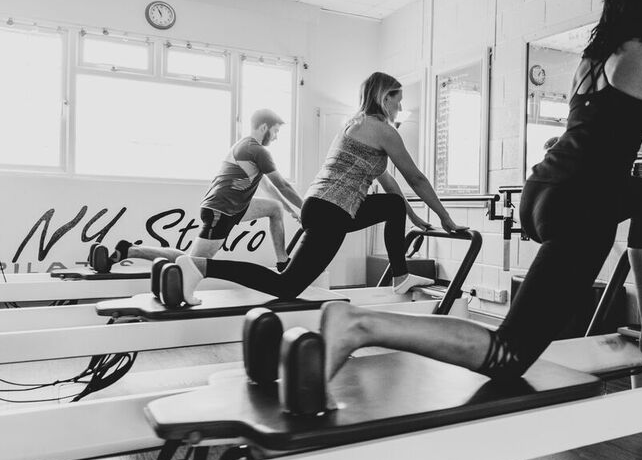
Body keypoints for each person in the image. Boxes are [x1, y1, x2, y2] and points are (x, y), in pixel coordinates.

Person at [314, 0, 642, 384]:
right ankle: (361, 325)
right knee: (507, 354)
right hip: (583, 207)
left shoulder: (591, 59)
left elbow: (590, 141)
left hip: (542, 192)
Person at [174, 72, 467, 304]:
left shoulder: (354, 125)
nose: (400, 107)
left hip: (322, 207)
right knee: (286, 286)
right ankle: (201, 266)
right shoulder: (383, 131)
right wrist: (446, 218)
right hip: (332, 212)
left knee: (392, 205)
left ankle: (400, 275)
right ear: (384, 97)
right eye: (397, 100)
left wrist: (413, 217)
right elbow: (416, 179)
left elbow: (389, 184)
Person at [116, 108, 303, 270]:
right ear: (263, 127)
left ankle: (282, 261)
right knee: (191, 263)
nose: (276, 137)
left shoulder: (246, 147)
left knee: (275, 209)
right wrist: (306, 208)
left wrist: (290, 211)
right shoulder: (257, 150)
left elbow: (268, 187)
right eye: (275, 131)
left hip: (234, 207)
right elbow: (283, 185)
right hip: (222, 210)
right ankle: (131, 250)